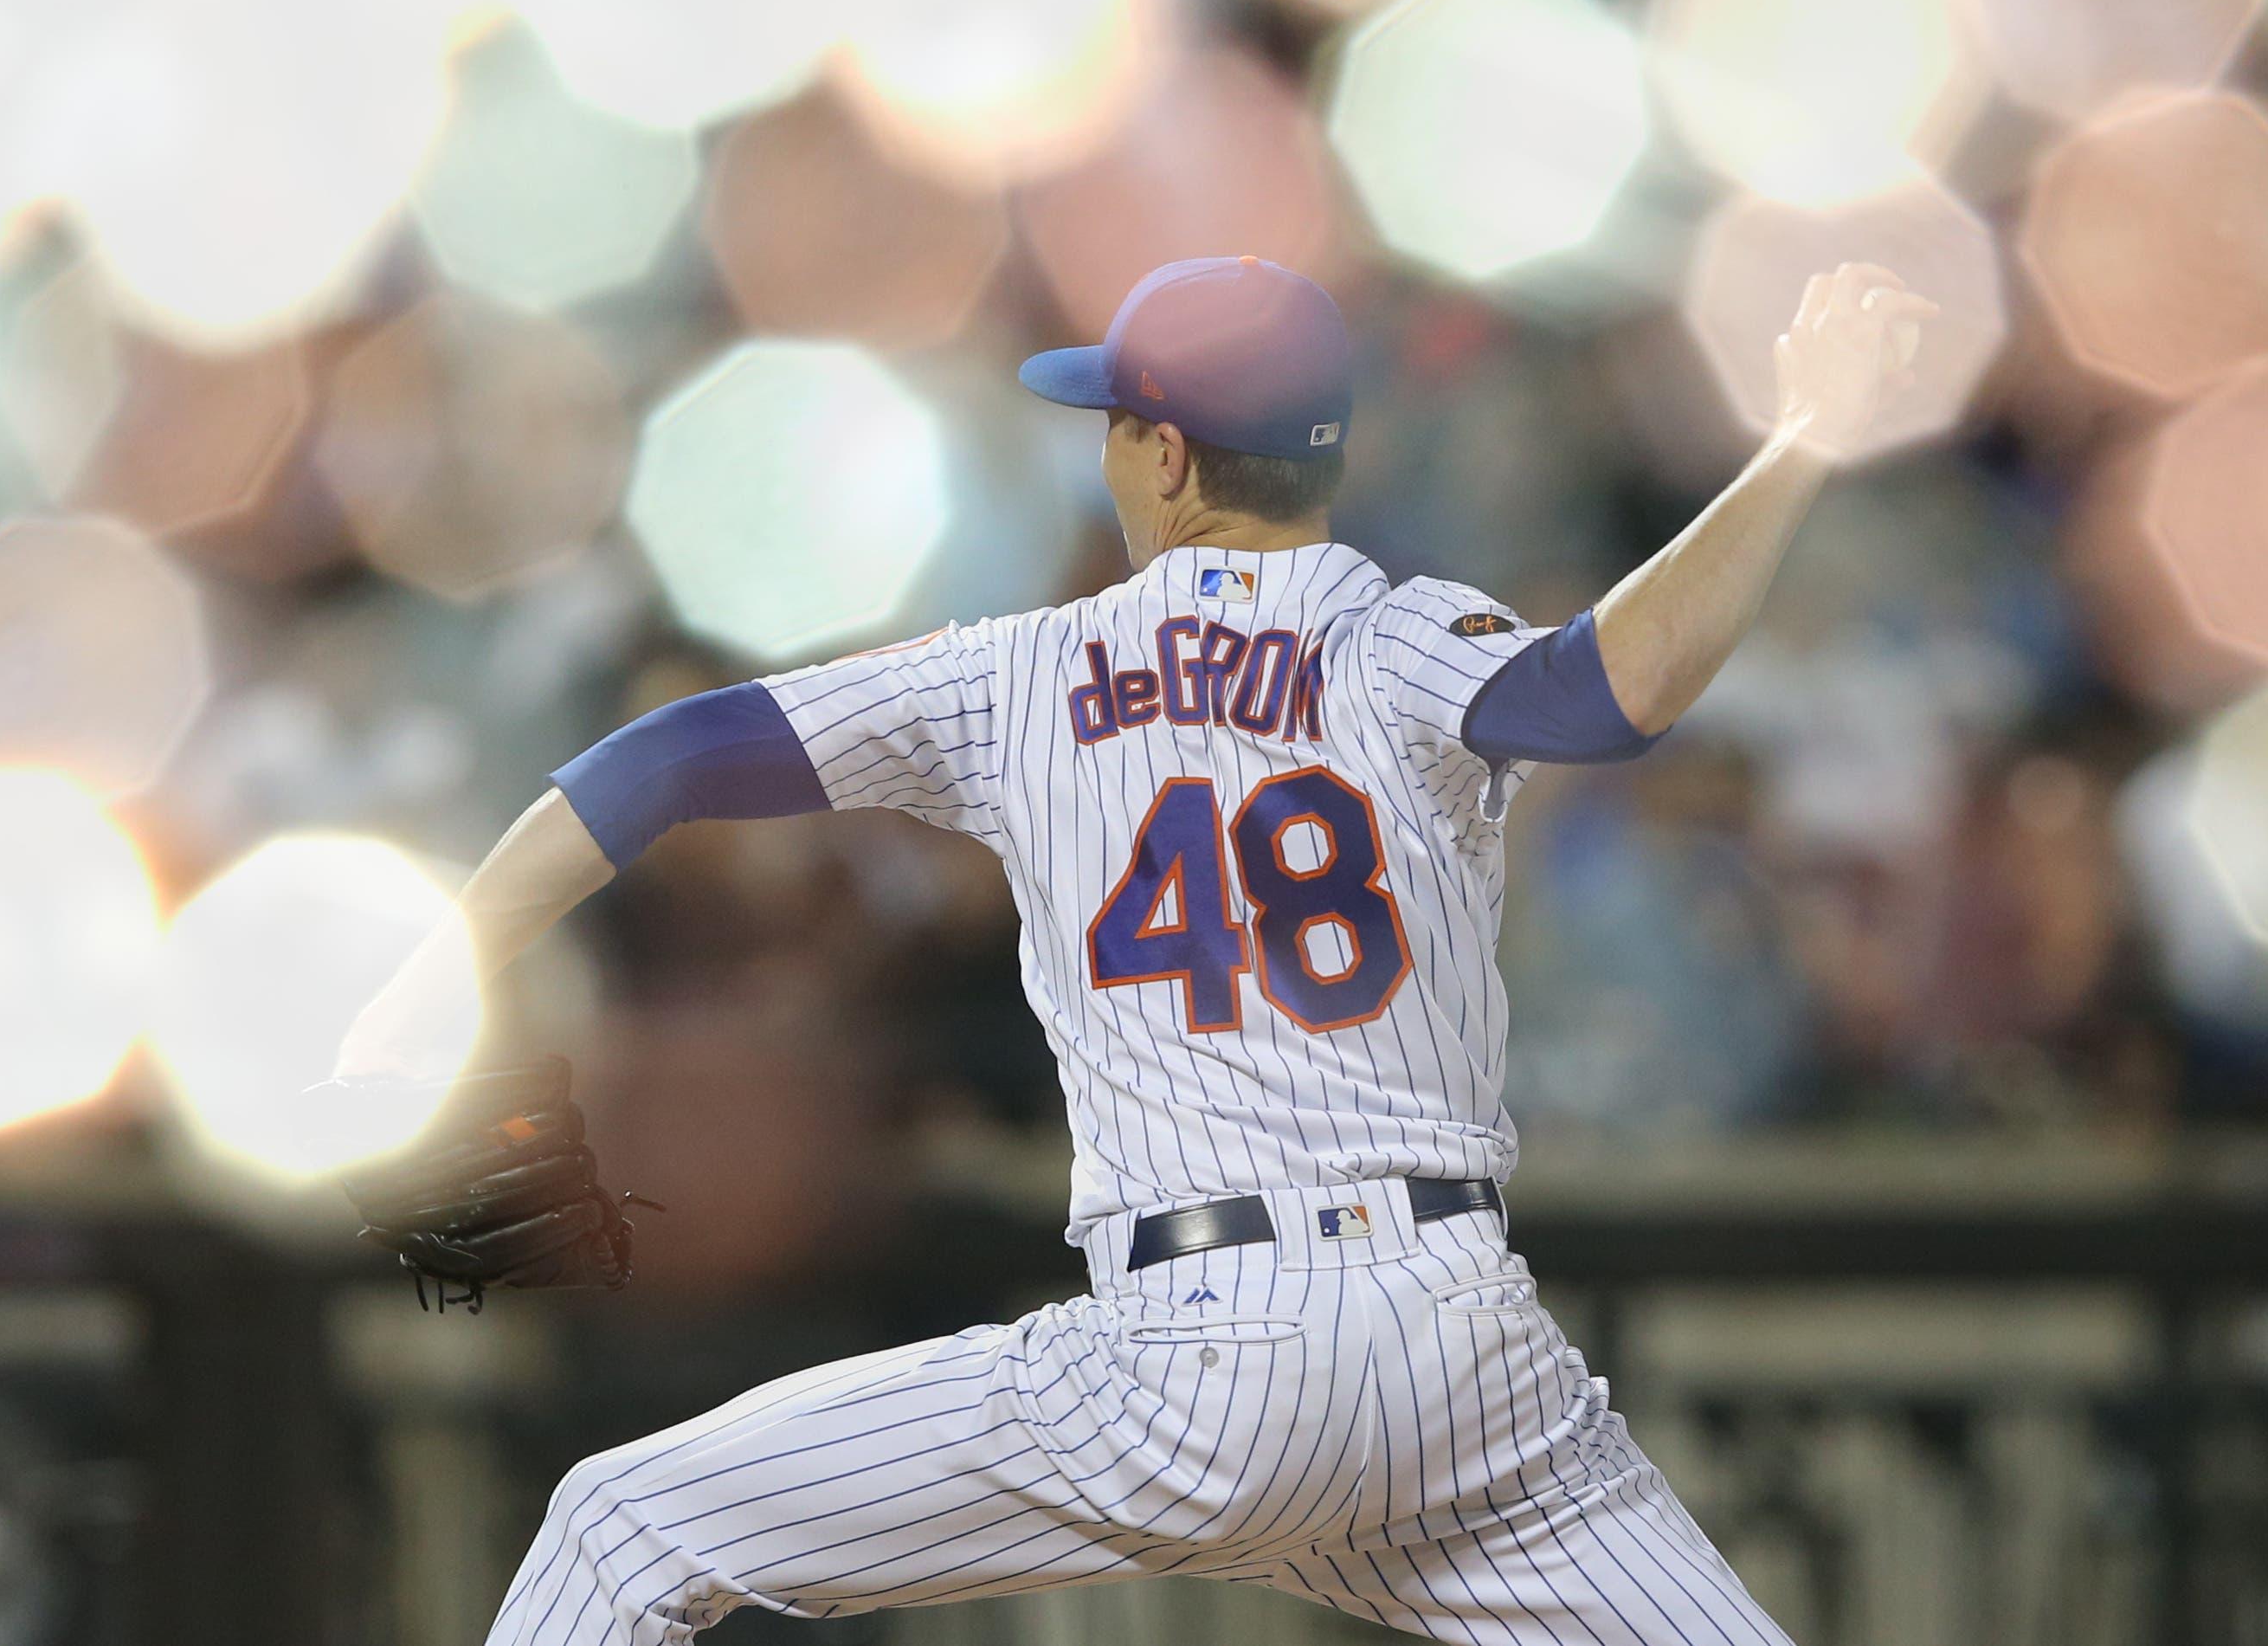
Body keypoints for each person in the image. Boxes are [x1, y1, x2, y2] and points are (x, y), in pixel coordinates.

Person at [336, 253, 1932, 1644]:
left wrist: (425, 979)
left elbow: (661, 760)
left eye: (1113, 422)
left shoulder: (1023, 673)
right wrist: (1805, 441)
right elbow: (1600, 695)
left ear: (1166, 454)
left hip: (1193, 1362)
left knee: (623, 1527)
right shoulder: (1398, 634)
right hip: (1464, 1368)